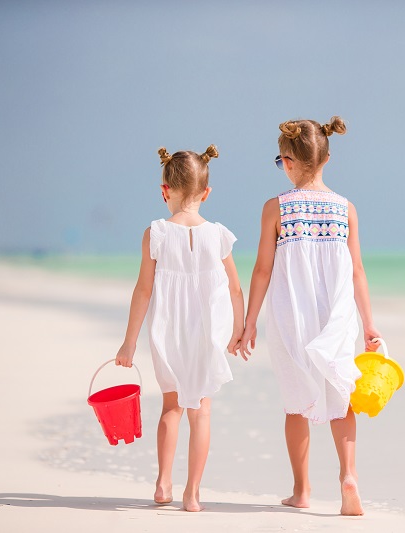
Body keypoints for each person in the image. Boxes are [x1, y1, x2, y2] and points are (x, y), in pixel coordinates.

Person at [238, 117, 382, 516]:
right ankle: (348, 476)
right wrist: (368, 324)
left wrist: (249, 322)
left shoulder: (276, 207)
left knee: (296, 402)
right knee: (342, 397)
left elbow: (262, 270)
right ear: (327, 158)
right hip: (337, 316)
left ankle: (301, 490)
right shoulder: (345, 208)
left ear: (287, 160)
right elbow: (357, 271)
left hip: (291, 317)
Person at [115, 144, 245, 511]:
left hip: (167, 332)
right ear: (206, 192)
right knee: (200, 412)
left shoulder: (155, 233)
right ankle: (192, 494)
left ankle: (162, 482)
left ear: (164, 190)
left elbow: (143, 290)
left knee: (170, 407)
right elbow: (235, 287)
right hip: (207, 334)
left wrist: (129, 344)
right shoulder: (219, 234)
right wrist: (239, 330)